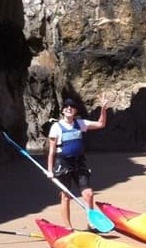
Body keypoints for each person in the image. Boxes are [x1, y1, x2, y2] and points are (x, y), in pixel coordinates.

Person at [46, 97, 109, 230]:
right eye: (66, 106)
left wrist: (103, 109)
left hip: (79, 162)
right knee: (66, 196)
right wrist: (50, 170)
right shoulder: (56, 127)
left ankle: (91, 223)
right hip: (63, 164)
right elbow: (51, 151)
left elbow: (101, 124)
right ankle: (68, 228)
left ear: (75, 111)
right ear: (63, 110)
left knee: (89, 193)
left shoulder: (80, 123)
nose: (69, 108)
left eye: (72, 106)